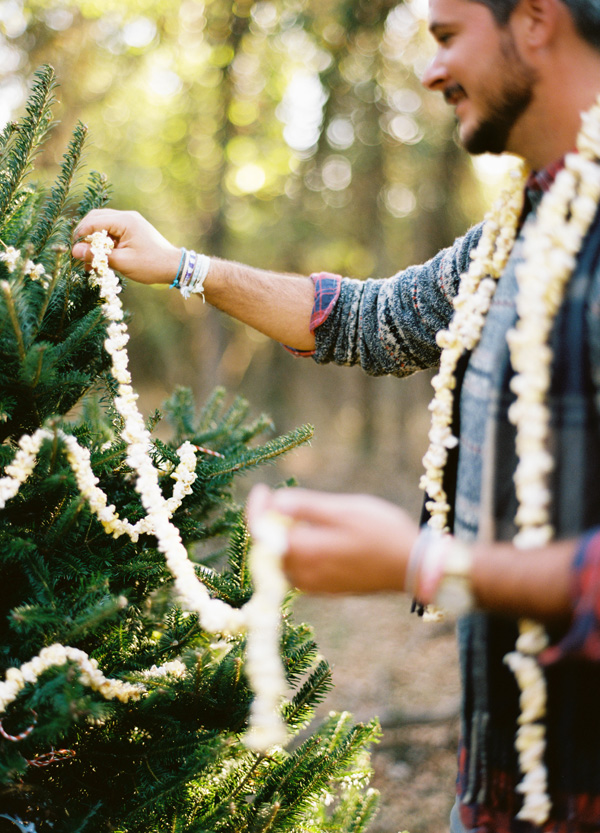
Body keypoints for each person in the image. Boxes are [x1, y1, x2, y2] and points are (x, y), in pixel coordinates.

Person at [72, 0, 600, 829]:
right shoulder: (518, 229)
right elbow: (368, 316)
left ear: (535, 19)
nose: (429, 71)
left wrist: (427, 564)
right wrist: (183, 265)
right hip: (505, 784)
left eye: (447, 37)